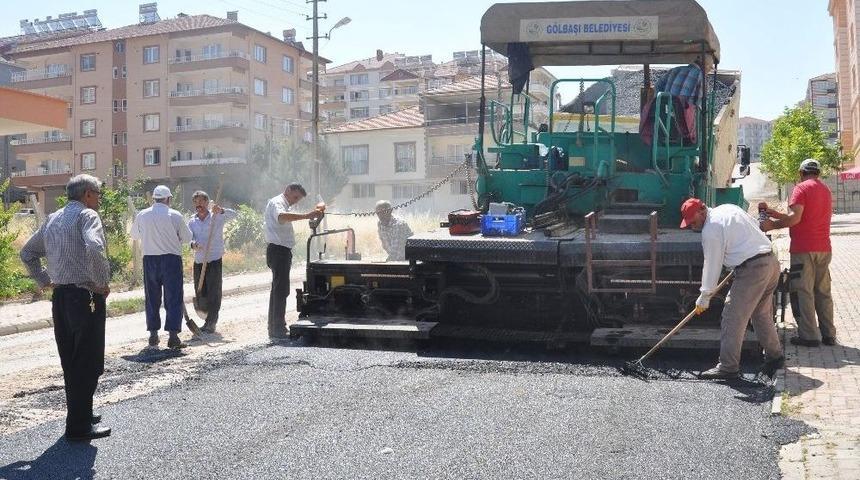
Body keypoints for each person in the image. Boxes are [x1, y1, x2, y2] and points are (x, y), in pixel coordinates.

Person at [20, 174, 112, 441]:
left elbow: (27, 252)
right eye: (97, 193)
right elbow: (95, 248)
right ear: (87, 194)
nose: (99, 199)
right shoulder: (87, 216)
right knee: (89, 360)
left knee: (72, 360)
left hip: (60, 298)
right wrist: (101, 282)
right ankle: (79, 426)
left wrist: (45, 279)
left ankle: (82, 413)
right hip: (85, 297)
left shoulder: (53, 218)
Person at [680, 198, 784, 379]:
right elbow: (751, 230)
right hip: (770, 261)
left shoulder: (711, 230)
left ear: (702, 211)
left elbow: (712, 263)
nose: (692, 226)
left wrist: (705, 295)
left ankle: (728, 367)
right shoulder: (728, 207)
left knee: (732, 316)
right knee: (761, 314)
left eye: (693, 221)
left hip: (753, 268)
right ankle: (775, 357)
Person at [762, 158, 836, 347]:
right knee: (823, 292)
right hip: (824, 248)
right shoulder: (825, 190)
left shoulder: (801, 188)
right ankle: (829, 335)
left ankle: (809, 336)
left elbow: (795, 219)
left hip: (804, 249)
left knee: (804, 291)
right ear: (817, 173)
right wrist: (776, 214)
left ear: (801, 173)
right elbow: (806, 216)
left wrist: (772, 225)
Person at [131, 185, 193, 349]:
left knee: (152, 298)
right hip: (171, 260)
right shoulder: (175, 215)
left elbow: (134, 235)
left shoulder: (142, 215)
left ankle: (153, 335)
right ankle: (173, 336)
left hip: (150, 260)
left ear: (154, 199)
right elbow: (187, 238)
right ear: (168, 199)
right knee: (173, 297)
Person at [264, 183, 324, 340]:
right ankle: (277, 329)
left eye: (298, 200)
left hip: (281, 250)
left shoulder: (283, 203)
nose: (295, 201)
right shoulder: (277, 203)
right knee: (280, 290)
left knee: (278, 290)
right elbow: (281, 217)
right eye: (295, 197)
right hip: (278, 251)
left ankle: (274, 327)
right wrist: (306, 216)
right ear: (288, 190)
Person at [188, 190, 237, 334]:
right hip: (198, 261)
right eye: (196, 202)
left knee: (214, 292)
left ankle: (211, 322)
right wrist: (193, 245)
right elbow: (188, 239)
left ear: (207, 203)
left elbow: (235, 215)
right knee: (201, 292)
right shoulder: (192, 221)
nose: (199, 205)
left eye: (202, 201)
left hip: (214, 260)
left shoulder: (217, 217)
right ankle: (205, 318)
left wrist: (221, 210)